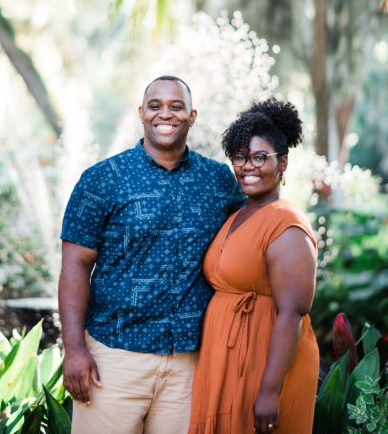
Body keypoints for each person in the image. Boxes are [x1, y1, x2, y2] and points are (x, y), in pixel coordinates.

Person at [58, 75, 247, 433]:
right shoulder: (102, 178)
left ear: (192, 116)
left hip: (189, 361)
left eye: (177, 106)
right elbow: (75, 267)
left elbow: (251, 235)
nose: (166, 114)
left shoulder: (218, 180)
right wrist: (74, 349)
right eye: (156, 106)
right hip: (114, 356)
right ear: (142, 113)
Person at [188, 98, 319, 434]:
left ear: (283, 162)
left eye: (260, 157)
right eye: (241, 158)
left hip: (262, 360)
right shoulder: (238, 214)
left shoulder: (286, 225)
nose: (248, 167)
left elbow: (292, 312)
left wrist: (269, 390)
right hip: (225, 355)